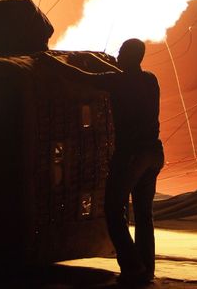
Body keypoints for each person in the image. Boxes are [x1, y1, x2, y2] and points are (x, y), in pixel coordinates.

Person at [47, 39, 163, 286]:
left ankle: (132, 265)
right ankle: (146, 269)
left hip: (131, 156)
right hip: (154, 153)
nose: (117, 54)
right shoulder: (150, 79)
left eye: (121, 52)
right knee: (144, 213)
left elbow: (82, 77)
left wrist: (52, 62)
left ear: (129, 56)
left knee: (113, 208)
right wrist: (100, 59)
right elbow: (112, 73)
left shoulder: (118, 81)